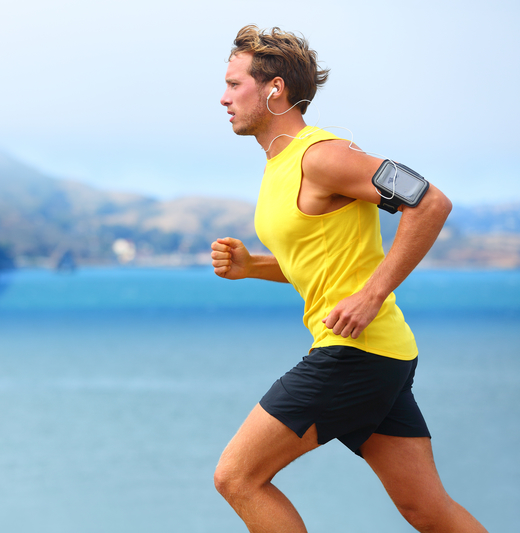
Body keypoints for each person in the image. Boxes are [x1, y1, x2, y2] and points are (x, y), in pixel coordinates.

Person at [210, 25, 487, 533]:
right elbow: (321, 265)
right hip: (382, 354)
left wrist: (372, 293)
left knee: (237, 478)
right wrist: (253, 267)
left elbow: (429, 202)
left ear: (274, 89)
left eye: (234, 84)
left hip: (352, 352)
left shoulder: (323, 155)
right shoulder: (279, 165)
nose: (222, 97)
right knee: (426, 510)